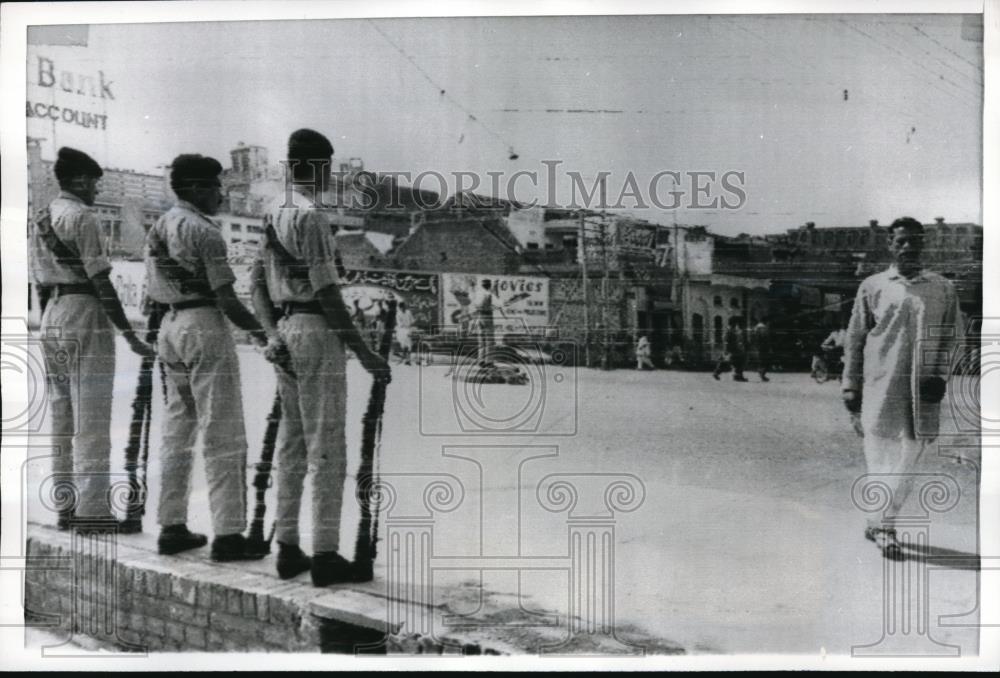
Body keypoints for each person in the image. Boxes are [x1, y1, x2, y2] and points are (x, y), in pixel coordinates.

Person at [251, 128, 391, 586]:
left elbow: (255, 287)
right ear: (321, 168)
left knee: (292, 444)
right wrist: (365, 352)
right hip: (314, 328)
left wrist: (272, 335)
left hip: (286, 330)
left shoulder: (273, 211)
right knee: (326, 444)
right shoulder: (311, 217)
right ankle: (326, 554)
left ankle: (288, 546)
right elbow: (329, 293)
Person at [146, 154, 270, 561]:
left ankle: (171, 526)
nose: (221, 194)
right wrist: (264, 333)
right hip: (202, 326)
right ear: (198, 188)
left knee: (178, 430)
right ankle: (229, 534)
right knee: (223, 430)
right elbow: (227, 299)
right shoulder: (204, 231)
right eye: (217, 187)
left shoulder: (159, 227)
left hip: (170, 328)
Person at [29, 147, 155, 531]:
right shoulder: (82, 217)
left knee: (62, 416)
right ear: (80, 180)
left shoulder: (41, 217)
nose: (97, 189)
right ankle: (93, 511)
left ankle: (65, 506)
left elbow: (38, 279)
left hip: (52, 313)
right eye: (95, 181)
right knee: (93, 416)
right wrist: (129, 333)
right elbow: (100, 281)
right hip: (84, 311)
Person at [842, 217, 962, 560]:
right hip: (881, 388)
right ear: (890, 245)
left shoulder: (942, 288)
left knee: (907, 462)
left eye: (914, 241)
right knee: (879, 460)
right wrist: (850, 385)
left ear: (924, 245)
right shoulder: (873, 286)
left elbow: (953, 336)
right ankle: (884, 526)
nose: (908, 246)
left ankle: (880, 520)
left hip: (923, 392)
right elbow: (855, 338)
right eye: (901, 241)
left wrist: (939, 376)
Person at [472, 279, 496, 367]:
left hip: (479, 317)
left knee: (481, 340)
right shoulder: (489, 294)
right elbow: (497, 304)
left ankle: (481, 360)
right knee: (489, 340)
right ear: (489, 285)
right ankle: (489, 361)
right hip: (487, 317)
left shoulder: (478, 294)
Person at [751, 318, 772, 382]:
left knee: (761, 361)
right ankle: (762, 375)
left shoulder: (756, 327)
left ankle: (761, 374)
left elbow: (754, 337)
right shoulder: (763, 327)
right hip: (763, 347)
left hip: (758, 346)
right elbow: (764, 337)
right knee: (764, 361)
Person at [395, 301, 415, 365]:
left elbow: (412, 320)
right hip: (402, 331)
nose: (403, 308)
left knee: (409, 345)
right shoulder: (398, 314)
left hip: (408, 330)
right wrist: (406, 325)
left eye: (404, 307)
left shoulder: (408, 312)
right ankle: (405, 358)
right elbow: (400, 324)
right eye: (402, 307)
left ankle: (407, 360)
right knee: (404, 346)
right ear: (400, 308)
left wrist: (410, 324)